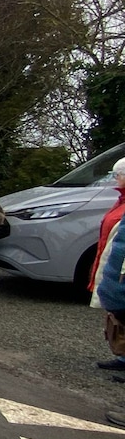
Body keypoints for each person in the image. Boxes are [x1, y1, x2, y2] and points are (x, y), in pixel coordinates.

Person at [89, 158, 125, 371]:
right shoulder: (120, 200)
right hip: (116, 265)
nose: (115, 179)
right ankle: (122, 357)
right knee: (119, 314)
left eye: (118, 175)